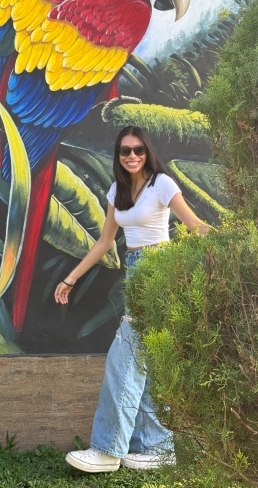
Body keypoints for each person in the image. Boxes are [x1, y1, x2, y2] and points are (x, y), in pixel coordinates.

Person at [54, 125, 210, 473]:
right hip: (135, 269)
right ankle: (157, 447)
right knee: (147, 360)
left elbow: (193, 224)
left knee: (124, 358)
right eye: (125, 151)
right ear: (118, 155)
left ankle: (108, 449)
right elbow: (104, 242)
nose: (132, 156)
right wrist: (71, 278)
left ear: (147, 151)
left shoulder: (162, 184)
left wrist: (228, 241)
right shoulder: (118, 191)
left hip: (158, 269)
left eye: (138, 149)